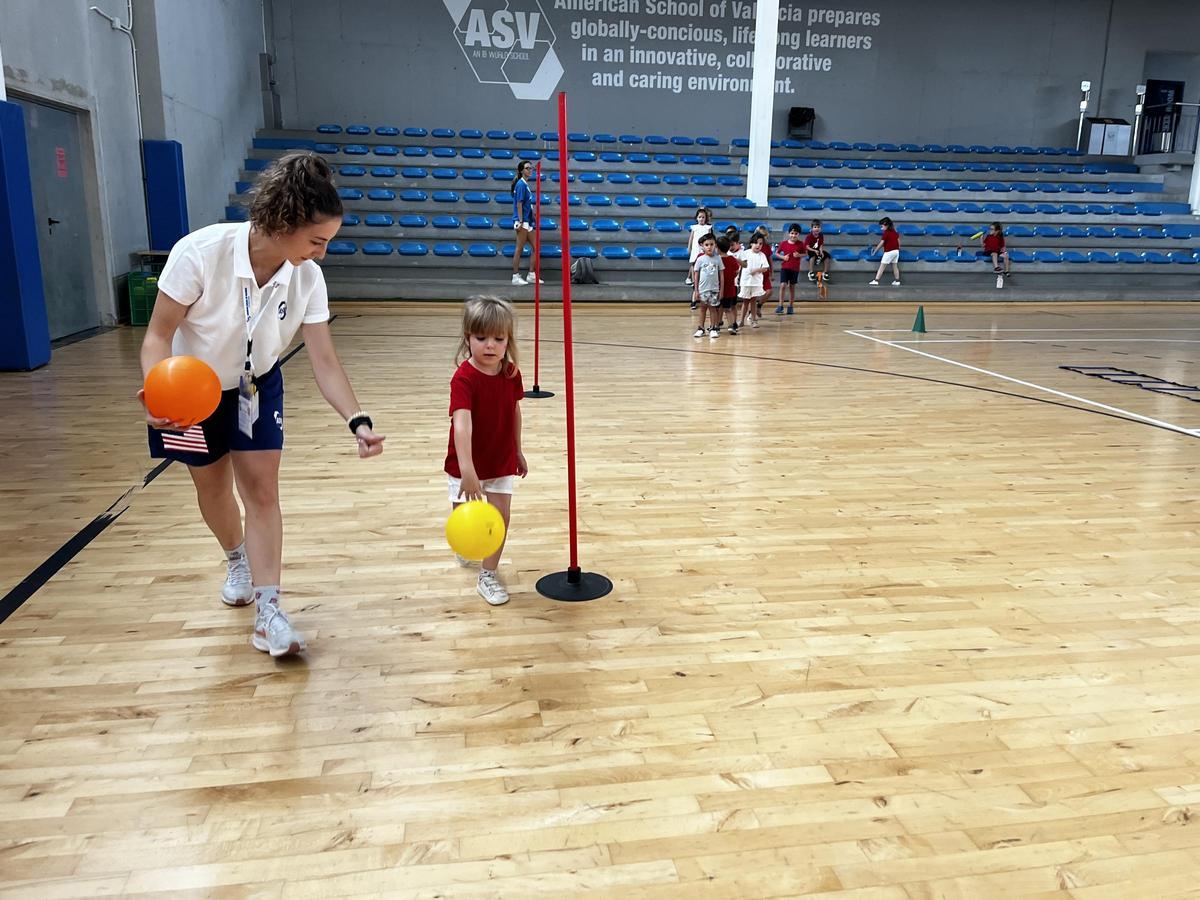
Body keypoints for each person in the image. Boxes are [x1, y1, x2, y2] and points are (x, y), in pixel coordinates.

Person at [139, 151, 385, 658]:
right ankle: (236, 558)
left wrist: (357, 420)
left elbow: (325, 361)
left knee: (262, 492)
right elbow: (157, 335)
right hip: (191, 391)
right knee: (213, 489)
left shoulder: (307, 278)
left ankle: (269, 611)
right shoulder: (198, 253)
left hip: (255, 386)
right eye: (316, 241)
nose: (320, 253)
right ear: (283, 222)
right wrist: (157, 388)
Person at [445, 296, 528, 606]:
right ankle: (466, 545)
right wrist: (468, 471)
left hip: (500, 458)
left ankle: (488, 575)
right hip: (466, 463)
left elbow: (514, 412)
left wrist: (517, 451)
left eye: (498, 338)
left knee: (500, 517)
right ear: (468, 338)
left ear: (508, 341)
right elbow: (461, 425)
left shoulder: (511, 374)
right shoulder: (464, 378)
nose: (490, 345)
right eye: (481, 338)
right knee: (466, 522)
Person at [509, 161, 541, 286]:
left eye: (531, 168)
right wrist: (521, 221)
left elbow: (528, 205)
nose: (530, 170)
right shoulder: (521, 184)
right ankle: (515, 276)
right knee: (519, 249)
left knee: (536, 247)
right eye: (527, 168)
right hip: (522, 222)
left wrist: (532, 218)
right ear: (522, 170)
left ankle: (531, 275)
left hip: (527, 222)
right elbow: (519, 204)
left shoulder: (524, 184)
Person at [691, 232, 722, 340]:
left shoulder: (718, 259)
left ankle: (713, 328)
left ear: (715, 245)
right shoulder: (700, 259)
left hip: (714, 289)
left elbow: (721, 274)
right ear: (702, 246)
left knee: (713, 309)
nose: (709, 247)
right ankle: (700, 328)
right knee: (703, 309)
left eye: (711, 244)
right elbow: (696, 275)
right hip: (702, 289)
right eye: (707, 245)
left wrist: (721, 290)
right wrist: (696, 290)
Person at [737, 232, 770, 326]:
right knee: (745, 302)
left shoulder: (762, 255)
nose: (758, 245)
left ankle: (754, 320)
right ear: (751, 243)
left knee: (753, 301)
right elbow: (740, 266)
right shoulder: (745, 253)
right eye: (756, 243)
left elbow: (765, 268)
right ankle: (742, 320)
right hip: (746, 281)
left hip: (756, 282)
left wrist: (756, 270)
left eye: (760, 244)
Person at [775, 223, 805, 314]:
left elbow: (805, 253)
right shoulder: (783, 243)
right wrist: (783, 258)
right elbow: (777, 253)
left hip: (795, 269)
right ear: (789, 233)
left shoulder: (801, 244)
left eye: (796, 233)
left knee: (792, 287)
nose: (793, 235)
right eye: (792, 233)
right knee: (783, 285)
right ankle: (780, 305)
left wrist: (799, 255)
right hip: (785, 267)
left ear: (798, 234)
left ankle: (791, 306)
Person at [717, 235, 742, 334]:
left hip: (719, 287)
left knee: (719, 308)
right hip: (731, 287)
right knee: (728, 308)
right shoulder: (732, 258)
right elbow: (736, 271)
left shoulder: (717, 259)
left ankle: (717, 324)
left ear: (717, 248)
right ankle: (732, 326)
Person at [685, 207, 714, 291]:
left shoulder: (708, 227)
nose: (701, 219)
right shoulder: (694, 227)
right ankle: (694, 281)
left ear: (706, 218)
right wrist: (689, 247)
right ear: (697, 218)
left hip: (704, 249)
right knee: (694, 264)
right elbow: (691, 238)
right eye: (699, 217)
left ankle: (702, 281)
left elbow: (709, 238)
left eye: (703, 217)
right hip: (695, 248)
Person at [870, 217, 902, 286]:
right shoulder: (895, 232)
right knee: (895, 266)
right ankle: (897, 281)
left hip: (889, 252)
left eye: (882, 226)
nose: (881, 228)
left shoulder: (886, 233)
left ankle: (876, 280)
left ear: (886, 225)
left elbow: (881, 243)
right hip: (896, 252)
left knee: (882, 266)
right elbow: (899, 241)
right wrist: (898, 248)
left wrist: (875, 251)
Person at [752, 225, 774, 317]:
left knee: (769, 291)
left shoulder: (767, 247)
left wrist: (771, 273)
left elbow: (770, 260)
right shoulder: (753, 246)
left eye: (764, 236)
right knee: (753, 295)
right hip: (756, 274)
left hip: (765, 274)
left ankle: (759, 305)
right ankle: (751, 313)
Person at [802, 219, 832, 287]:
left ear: (820, 228)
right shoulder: (809, 236)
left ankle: (825, 272)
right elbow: (807, 247)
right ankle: (811, 272)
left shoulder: (821, 235)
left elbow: (821, 244)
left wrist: (821, 251)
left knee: (827, 257)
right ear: (812, 228)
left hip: (818, 250)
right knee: (812, 257)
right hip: (811, 250)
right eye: (815, 227)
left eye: (818, 227)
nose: (816, 229)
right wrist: (814, 250)